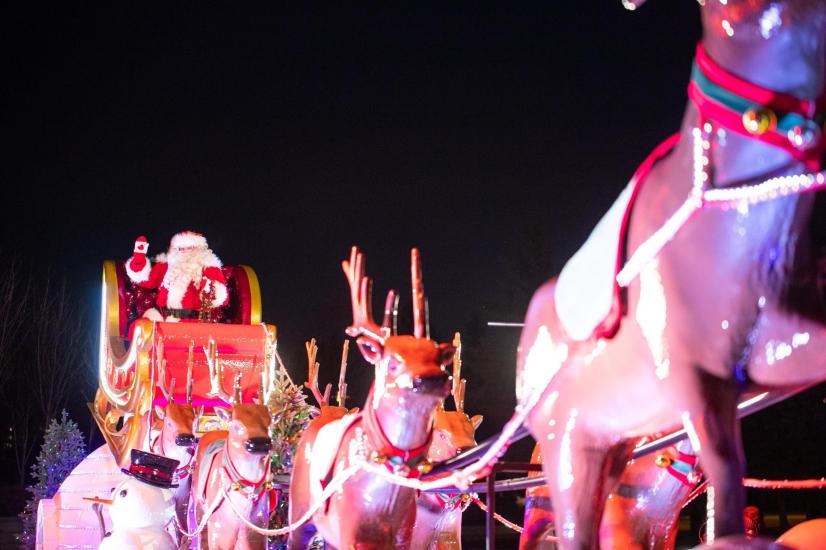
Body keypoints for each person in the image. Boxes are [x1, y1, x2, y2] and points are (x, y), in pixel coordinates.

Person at [125, 231, 228, 322]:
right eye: (181, 248)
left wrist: (209, 287)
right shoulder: (167, 265)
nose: (185, 251)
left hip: (194, 321)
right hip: (163, 318)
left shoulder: (209, 267)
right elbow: (146, 280)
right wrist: (138, 260)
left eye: (190, 248)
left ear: (199, 249)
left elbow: (222, 298)